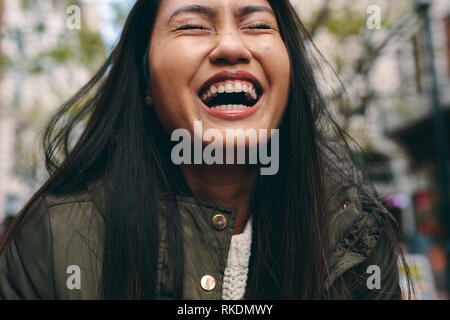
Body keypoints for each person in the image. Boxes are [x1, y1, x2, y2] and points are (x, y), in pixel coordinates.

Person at [0, 0, 412, 299]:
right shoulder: (50, 242)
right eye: (194, 26)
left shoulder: (354, 231)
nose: (232, 46)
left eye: (256, 25)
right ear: (144, 80)